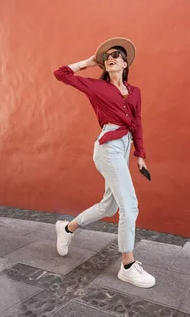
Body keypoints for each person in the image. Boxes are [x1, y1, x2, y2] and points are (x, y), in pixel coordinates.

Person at [52, 37, 156, 289]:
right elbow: (61, 73)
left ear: (125, 62)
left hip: (124, 146)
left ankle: (67, 228)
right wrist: (88, 62)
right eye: (107, 56)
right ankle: (128, 266)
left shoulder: (135, 92)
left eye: (116, 55)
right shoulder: (96, 87)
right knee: (129, 205)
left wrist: (139, 155)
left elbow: (137, 122)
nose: (111, 57)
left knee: (109, 207)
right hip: (107, 146)